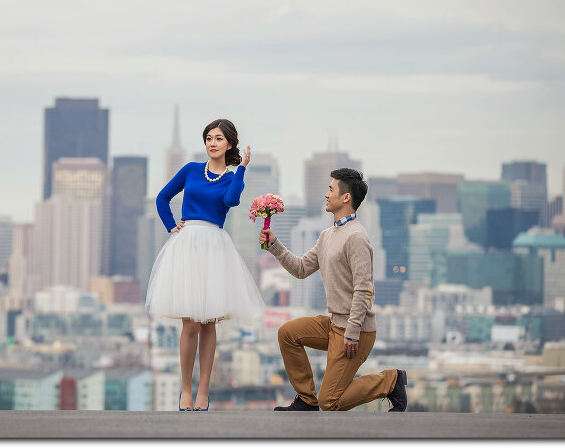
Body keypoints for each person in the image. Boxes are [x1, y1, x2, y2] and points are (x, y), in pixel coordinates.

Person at [259, 168, 407, 412]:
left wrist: (352, 331)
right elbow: (301, 268)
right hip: (334, 324)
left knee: (330, 403)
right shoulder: (328, 235)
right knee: (288, 333)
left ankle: (391, 381)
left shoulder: (357, 237)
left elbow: (364, 289)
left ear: (346, 197)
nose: (326, 194)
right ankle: (306, 399)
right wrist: (274, 245)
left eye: (331, 189)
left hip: (355, 331)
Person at [145, 118, 265, 412]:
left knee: (209, 321)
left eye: (219, 138)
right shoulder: (190, 170)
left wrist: (243, 170)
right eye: (209, 138)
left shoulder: (232, 176)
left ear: (230, 144)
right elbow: (162, 197)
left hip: (214, 246)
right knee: (190, 322)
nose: (213, 143)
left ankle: (204, 391)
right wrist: (172, 226)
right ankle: (185, 389)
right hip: (187, 244)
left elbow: (232, 200)